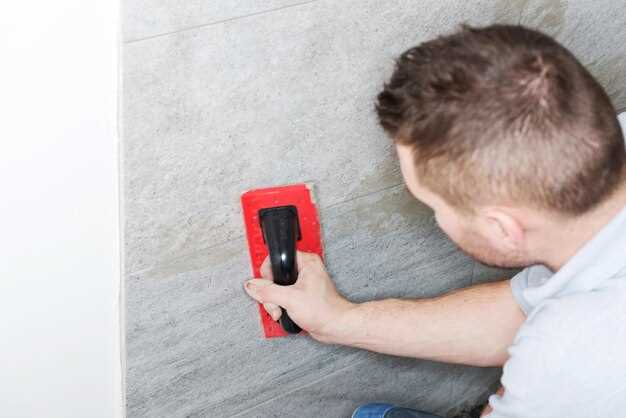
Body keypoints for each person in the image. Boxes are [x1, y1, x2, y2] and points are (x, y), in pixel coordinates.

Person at [244, 24, 626, 418]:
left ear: (502, 228)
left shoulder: (574, 351)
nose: (436, 219)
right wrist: (338, 320)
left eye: (433, 207)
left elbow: (561, 348)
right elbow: (520, 311)